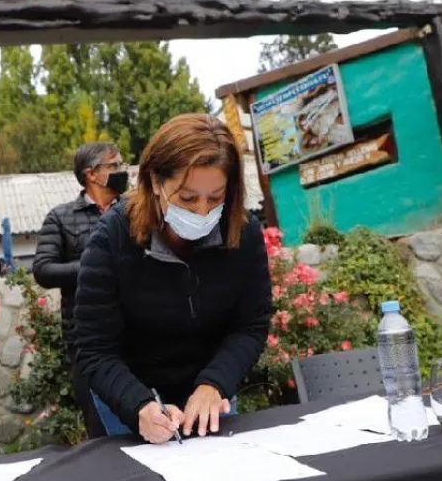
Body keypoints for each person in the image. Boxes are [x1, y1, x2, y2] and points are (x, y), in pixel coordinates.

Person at [73, 114, 273, 443]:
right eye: (187, 198)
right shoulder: (113, 237)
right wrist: (138, 405)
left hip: (209, 393)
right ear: (155, 182)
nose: (201, 212)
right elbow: (95, 349)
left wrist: (214, 384)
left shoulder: (243, 232)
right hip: (129, 396)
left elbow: (250, 325)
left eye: (216, 197)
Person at [33, 142, 129, 439]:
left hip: (139, 335)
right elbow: (44, 270)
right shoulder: (60, 217)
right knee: (101, 431)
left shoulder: (135, 209)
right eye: (115, 166)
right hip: (87, 342)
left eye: (123, 165)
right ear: (92, 174)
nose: (123, 171)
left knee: (147, 424)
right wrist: (96, 266)